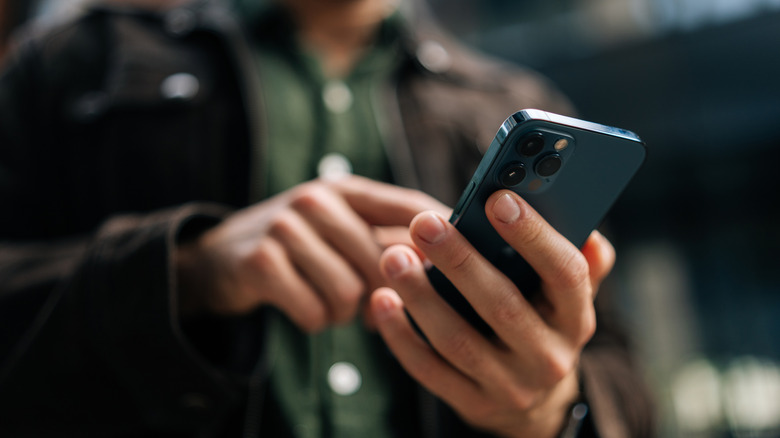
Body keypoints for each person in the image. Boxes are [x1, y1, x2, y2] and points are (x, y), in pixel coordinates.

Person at [0, 0, 654, 436]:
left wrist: (550, 411)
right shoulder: (74, 65)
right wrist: (193, 270)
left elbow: (626, 385)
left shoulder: (510, 102)